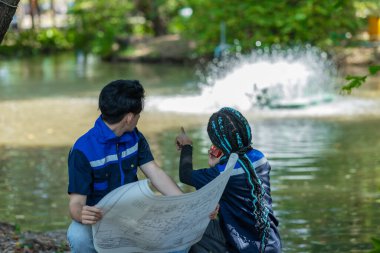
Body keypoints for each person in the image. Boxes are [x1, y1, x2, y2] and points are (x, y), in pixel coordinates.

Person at [67, 79, 186, 253]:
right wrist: (80, 213)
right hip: (101, 220)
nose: (139, 118)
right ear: (129, 117)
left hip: (135, 214)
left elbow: (154, 172)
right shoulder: (83, 150)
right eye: (139, 114)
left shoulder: (135, 137)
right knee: (77, 235)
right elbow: (76, 203)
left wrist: (186, 203)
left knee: (180, 235)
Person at [175, 107, 282, 253]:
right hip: (271, 245)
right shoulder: (260, 158)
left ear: (219, 144)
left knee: (188, 223)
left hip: (242, 249)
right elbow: (241, 191)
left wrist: (187, 146)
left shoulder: (222, 173)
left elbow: (185, 175)